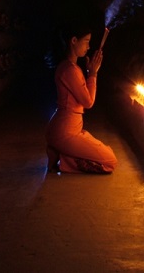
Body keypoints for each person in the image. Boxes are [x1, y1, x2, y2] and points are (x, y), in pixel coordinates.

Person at [46, 22, 117, 174]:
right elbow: (88, 102)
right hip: (65, 132)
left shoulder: (71, 68)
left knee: (103, 151)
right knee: (110, 161)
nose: (89, 47)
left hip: (69, 129)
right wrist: (92, 74)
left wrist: (90, 72)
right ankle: (62, 159)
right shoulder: (69, 70)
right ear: (73, 41)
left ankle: (59, 153)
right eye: (86, 41)